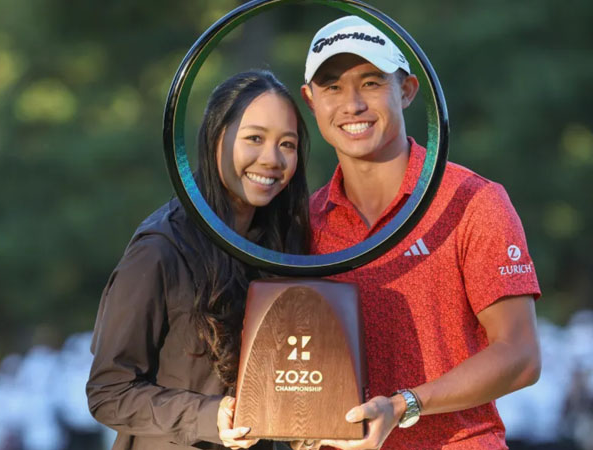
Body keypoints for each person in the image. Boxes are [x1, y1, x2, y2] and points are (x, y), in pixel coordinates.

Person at [299, 16, 542, 450]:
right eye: (332, 86)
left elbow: (521, 356)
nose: (351, 104)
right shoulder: (305, 221)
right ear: (310, 100)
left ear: (407, 90)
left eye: (371, 82)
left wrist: (402, 406)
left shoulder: (473, 200)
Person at [86, 70, 311, 450]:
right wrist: (208, 416)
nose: (272, 159)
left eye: (287, 144)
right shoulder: (159, 250)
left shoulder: (283, 245)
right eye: (254, 138)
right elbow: (108, 392)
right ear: (215, 139)